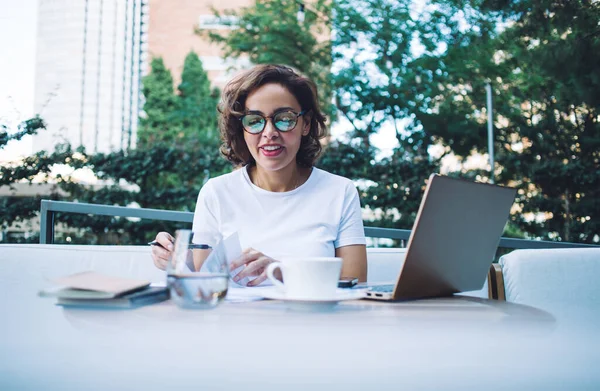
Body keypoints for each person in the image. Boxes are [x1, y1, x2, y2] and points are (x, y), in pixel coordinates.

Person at [151, 64, 367, 285]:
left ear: (306, 123)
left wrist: (282, 273)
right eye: (254, 120)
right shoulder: (216, 193)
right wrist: (175, 256)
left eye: (284, 118)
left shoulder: (340, 191)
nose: (269, 133)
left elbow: (356, 282)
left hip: (314, 318)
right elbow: (205, 277)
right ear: (241, 129)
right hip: (236, 319)